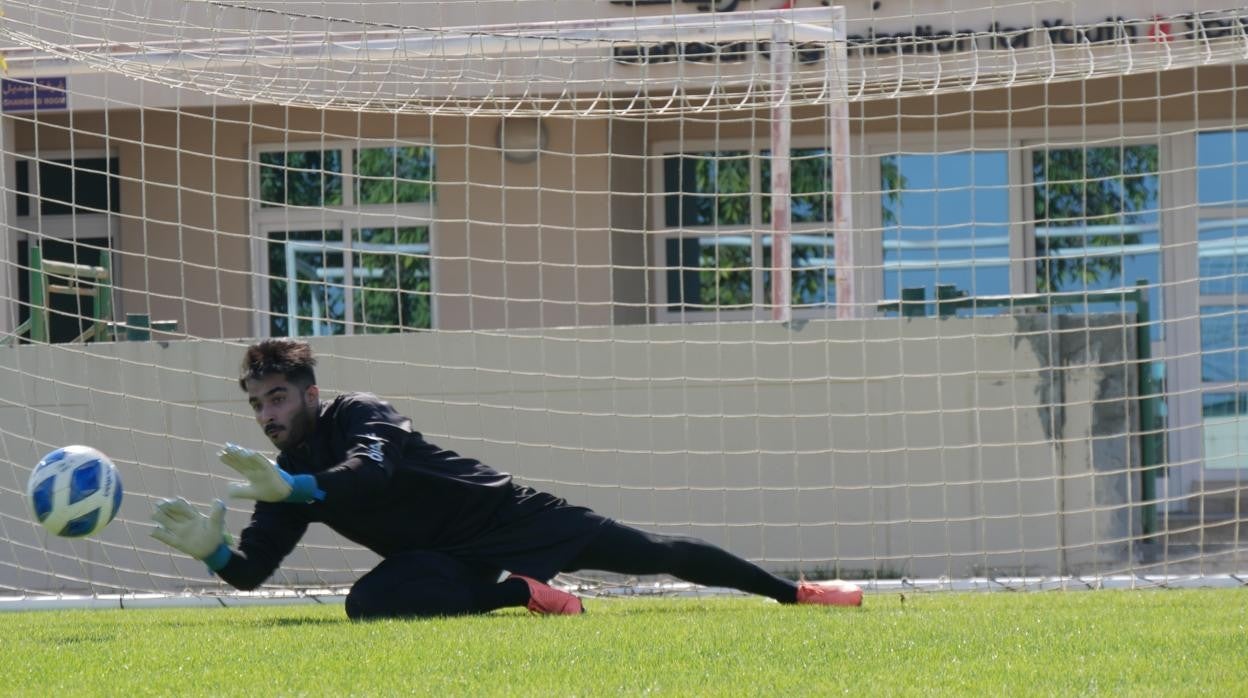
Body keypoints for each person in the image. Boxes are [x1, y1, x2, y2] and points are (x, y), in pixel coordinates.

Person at [150, 338, 863, 619]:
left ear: (310, 393)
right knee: (367, 607)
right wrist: (211, 551)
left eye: (276, 397)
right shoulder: (281, 475)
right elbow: (251, 573)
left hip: (511, 516)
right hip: (444, 563)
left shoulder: (360, 413)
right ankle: (521, 594)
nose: (265, 415)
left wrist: (300, 492)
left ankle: (795, 592)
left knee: (658, 552)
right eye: (255, 404)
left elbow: (369, 472)